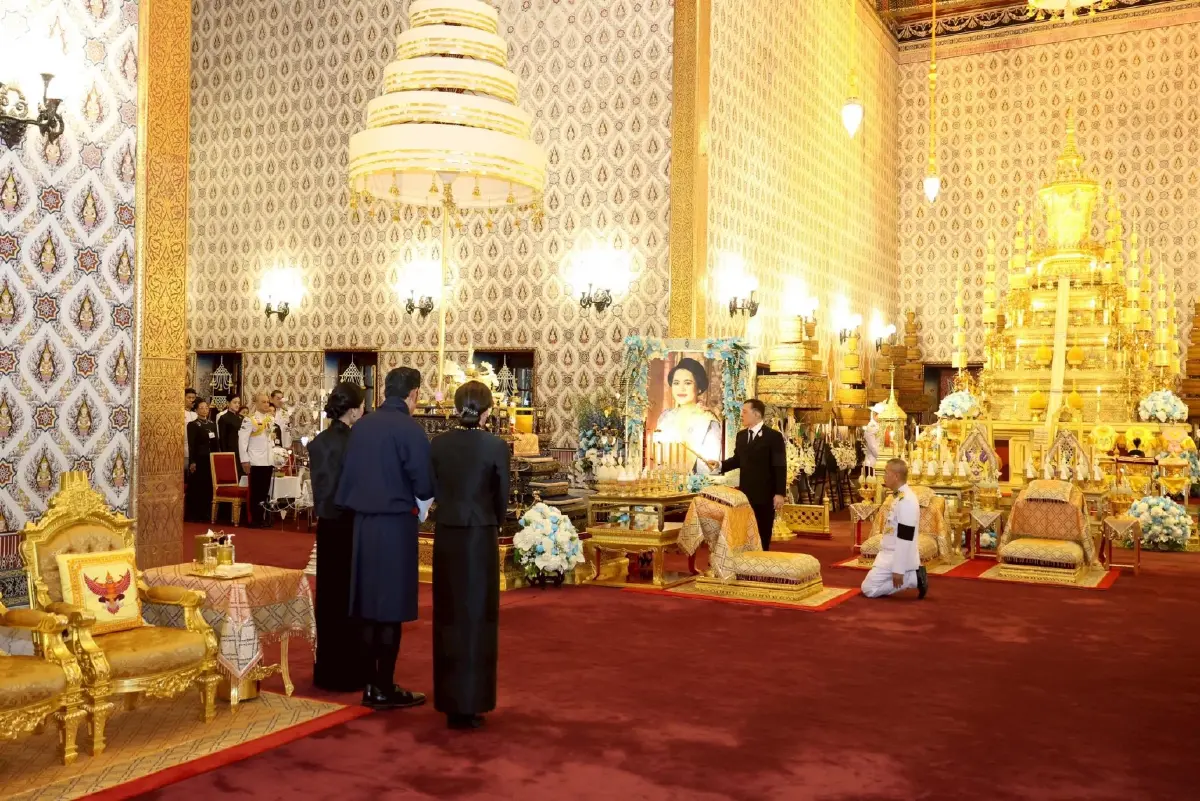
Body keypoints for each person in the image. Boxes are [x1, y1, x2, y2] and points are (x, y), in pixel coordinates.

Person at [335, 367, 433, 711]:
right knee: (390, 608)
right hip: (395, 526)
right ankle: (384, 686)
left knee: (367, 607)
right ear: (414, 394)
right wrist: (422, 508)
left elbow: (348, 475)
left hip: (363, 524)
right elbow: (424, 483)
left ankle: (369, 685)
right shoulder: (410, 429)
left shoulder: (362, 426)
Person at [429, 381, 510, 730]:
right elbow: (502, 495)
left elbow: (432, 487)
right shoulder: (495, 445)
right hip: (480, 535)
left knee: (448, 614)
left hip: (447, 532)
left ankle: (450, 702)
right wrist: (492, 519)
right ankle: (474, 700)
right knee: (478, 616)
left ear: (455, 407)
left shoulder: (439, 444)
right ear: (488, 412)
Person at [308, 381, 367, 692]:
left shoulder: (319, 442)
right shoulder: (357, 444)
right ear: (354, 410)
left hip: (327, 526)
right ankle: (349, 670)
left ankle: (326, 669)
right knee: (350, 597)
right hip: (352, 524)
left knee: (329, 596)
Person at [708, 399, 786, 550]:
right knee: (744, 532)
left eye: (744, 412)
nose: (741, 415)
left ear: (756, 414)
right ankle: (745, 561)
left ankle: (761, 560)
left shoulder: (773, 437)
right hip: (745, 495)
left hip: (765, 494)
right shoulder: (741, 436)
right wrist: (720, 465)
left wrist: (779, 493)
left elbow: (780, 465)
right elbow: (738, 460)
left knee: (762, 533)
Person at [861, 458, 928, 600]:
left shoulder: (907, 501)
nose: (884, 477)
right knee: (869, 587)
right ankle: (912, 576)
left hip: (895, 556)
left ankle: (913, 578)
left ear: (896, 476)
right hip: (887, 554)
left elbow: (905, 537)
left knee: (869, 589)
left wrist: (899, 568)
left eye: (886, 473)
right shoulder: (899, 497)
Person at [654, 358, 722, 474]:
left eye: (688, 383)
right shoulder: (665, 417)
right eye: (676, 383)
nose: (681, 389)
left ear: (698, 388)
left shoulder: (707, 420)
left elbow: (709, 468)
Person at [239, 393, 276, 528]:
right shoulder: (250, 420)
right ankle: (254, 519)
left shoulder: (270, 419)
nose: (266, 404)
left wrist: (275, 457)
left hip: (268, 460)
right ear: (256, 403)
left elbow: (270, 440)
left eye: (267, 402)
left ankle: (262, 518)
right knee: (256, 492)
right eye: (263, 402)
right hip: (255, 460)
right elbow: (242, 441)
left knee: (265, 491)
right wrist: (244, 460)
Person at [185, 399, 219, 522]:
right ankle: (194, 513)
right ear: (196, 410)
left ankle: (206, 512)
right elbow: (192, 445)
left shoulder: (212, 424)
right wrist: (192, 461)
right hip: (199, 459)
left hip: (210, 459)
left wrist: (217, 458)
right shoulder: (193, 425)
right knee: (197, 485)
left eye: (206, 408)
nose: (204, 410)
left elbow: (215, 443)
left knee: (208, 486)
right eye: (201, 408)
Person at [217, 394, 243, 465]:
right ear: (228, 403)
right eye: (235, 402)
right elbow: (222, 438)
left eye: (238, 403)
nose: (237, 405)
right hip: (230, 450)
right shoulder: (224, 418)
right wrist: (225, 454)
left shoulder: (241, 417)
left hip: (241, 450)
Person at [184, 387, 198, 475]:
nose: (191, 400)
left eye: (193, 398)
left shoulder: (196, 414)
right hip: (183, 448)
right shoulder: (179, 413)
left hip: (195, 448)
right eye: (189, 398)